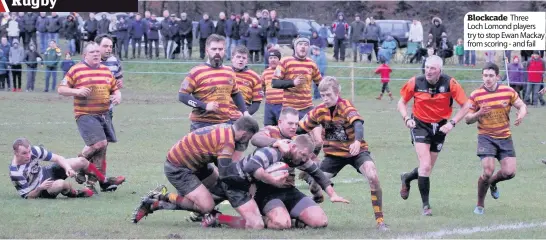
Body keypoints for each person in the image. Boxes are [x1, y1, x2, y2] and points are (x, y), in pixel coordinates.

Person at [131, 117, 260, 227]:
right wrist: (248, 183)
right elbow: (226, 173)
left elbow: (225, 165)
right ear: (243, 134)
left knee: (219, 191)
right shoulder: (226, 142)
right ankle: (159, 200)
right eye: (248, 138)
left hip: (197, 164)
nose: (247, 141)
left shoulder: (227, 129)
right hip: (178, 168)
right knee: (206, 206)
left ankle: (205, 215)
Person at [298, 76, 388, 231]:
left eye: (329, 95)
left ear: (337, 92)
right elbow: (301, 129)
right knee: (314, 185)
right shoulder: (319, 111)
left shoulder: (345, 106)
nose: (325, 99)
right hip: (333, 155)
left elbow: (358, 124)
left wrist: (357, 141)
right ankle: (318, 195)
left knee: (373, 176)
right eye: (323, 95)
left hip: (356, 151)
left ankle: (380, 221)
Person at [203, 134, 349, 229]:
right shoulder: (273, 149)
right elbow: (254, 143)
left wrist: (332, 194)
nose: (305, 159)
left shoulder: (299, 155)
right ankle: (221, 217)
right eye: (289, 123)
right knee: (279, 223)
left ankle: (290, 218)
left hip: (289, 191)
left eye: (294, 124)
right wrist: (272, 179)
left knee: (320, 221)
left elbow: (317, 173)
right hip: (264, 193)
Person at [398, 55, 471, 216]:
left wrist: (452, 123)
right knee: (424, 165)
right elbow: (401, 102)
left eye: (433, 68)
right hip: (419, 125)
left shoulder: (450, 83)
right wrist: (406, 118)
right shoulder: (415, 82)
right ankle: (426, 206)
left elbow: (466, 105)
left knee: (427, 168)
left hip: (440, 127)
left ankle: (407, 178)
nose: (428, 71)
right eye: (427, 67)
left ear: (440, 71)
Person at [57, 42, 126, 193]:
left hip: (104, 114)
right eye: (92, 52)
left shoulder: (106, 70)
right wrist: (77, 92)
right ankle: (81, 165)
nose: (96, 54)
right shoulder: (76, 70)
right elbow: (61, 89)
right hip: (85, 114)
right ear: (84, 55)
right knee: (100, 143)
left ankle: (91, 184)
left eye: (97, 52)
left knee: (102, 149)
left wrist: (118, 97)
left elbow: (115, 89)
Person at [465, 62, 527, 215]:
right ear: (482, 76)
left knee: (509, 172)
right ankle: (480, 205)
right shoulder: (476, 94)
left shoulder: (508, 91)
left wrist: (521, 114)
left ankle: (492, 183)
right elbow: (467, 119)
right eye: (485, 75)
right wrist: (479, 113)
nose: (488, 79)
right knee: (487, 171)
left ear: (497, 77)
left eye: (491, 76)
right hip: (485, 137)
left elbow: (522, 105)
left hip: (505, 137)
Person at [178, 34, 250, 132]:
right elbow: (182, 96)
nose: (217, 52)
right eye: (214, 49)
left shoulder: (229, 71)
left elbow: (236, 94)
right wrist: (204, 106)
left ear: (224, 51)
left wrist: (245, 112)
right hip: (201, 124)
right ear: (207, 51)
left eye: (220, 49)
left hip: (225, 123)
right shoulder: (197, 71)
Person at [9, 138, 118, 199]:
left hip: (46, 172)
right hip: (41, 189)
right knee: (60, 184)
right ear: (15, 153)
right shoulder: (16, 173)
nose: (28, 155)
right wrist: (40, 188)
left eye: (29, 152)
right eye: (24, 153)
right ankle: (76, 193)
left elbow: (58, 158)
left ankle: (104, 181)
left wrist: (68, 169)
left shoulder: (34, 151)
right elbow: (28, 196)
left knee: (81, 161)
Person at [272, 37, 322, 119]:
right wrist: (293, 83)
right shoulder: (285, 61)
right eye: (300, 44)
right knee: (289, 131)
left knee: (317, 129)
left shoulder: (312, 63)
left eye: (306, 45)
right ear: (295, 47)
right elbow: (274, 83)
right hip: (289, 107)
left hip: (307, 106)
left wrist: (330, 88)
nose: (303, 47)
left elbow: (320, 83)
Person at [228, 45, 263, 121]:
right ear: (232, 58)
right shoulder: (224, 73)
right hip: (222, 115)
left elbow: (256, 102)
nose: (241, 60)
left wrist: (245, 114)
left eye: (244, 58)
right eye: (238, 57)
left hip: (241, 116)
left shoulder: (255, 77)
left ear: (247, 61)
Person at [95, 35, 124, 120]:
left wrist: (118, 85)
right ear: (97, 46)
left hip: (108, 107)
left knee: (108, 132)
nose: (109, 49)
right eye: (105, 46)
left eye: (110, 46)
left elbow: (118, 80)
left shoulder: (115, 61)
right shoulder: (90, 61)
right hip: (91, 108)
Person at [262, 48, 283, 126]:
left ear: (279, 59)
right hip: (269, 105)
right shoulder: (265, 72)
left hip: (281, 105)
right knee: (268, 127)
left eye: (275, 58)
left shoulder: (283, 71)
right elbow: (262, 86)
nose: (273, 60)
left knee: (281, 127)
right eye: (271, 58)